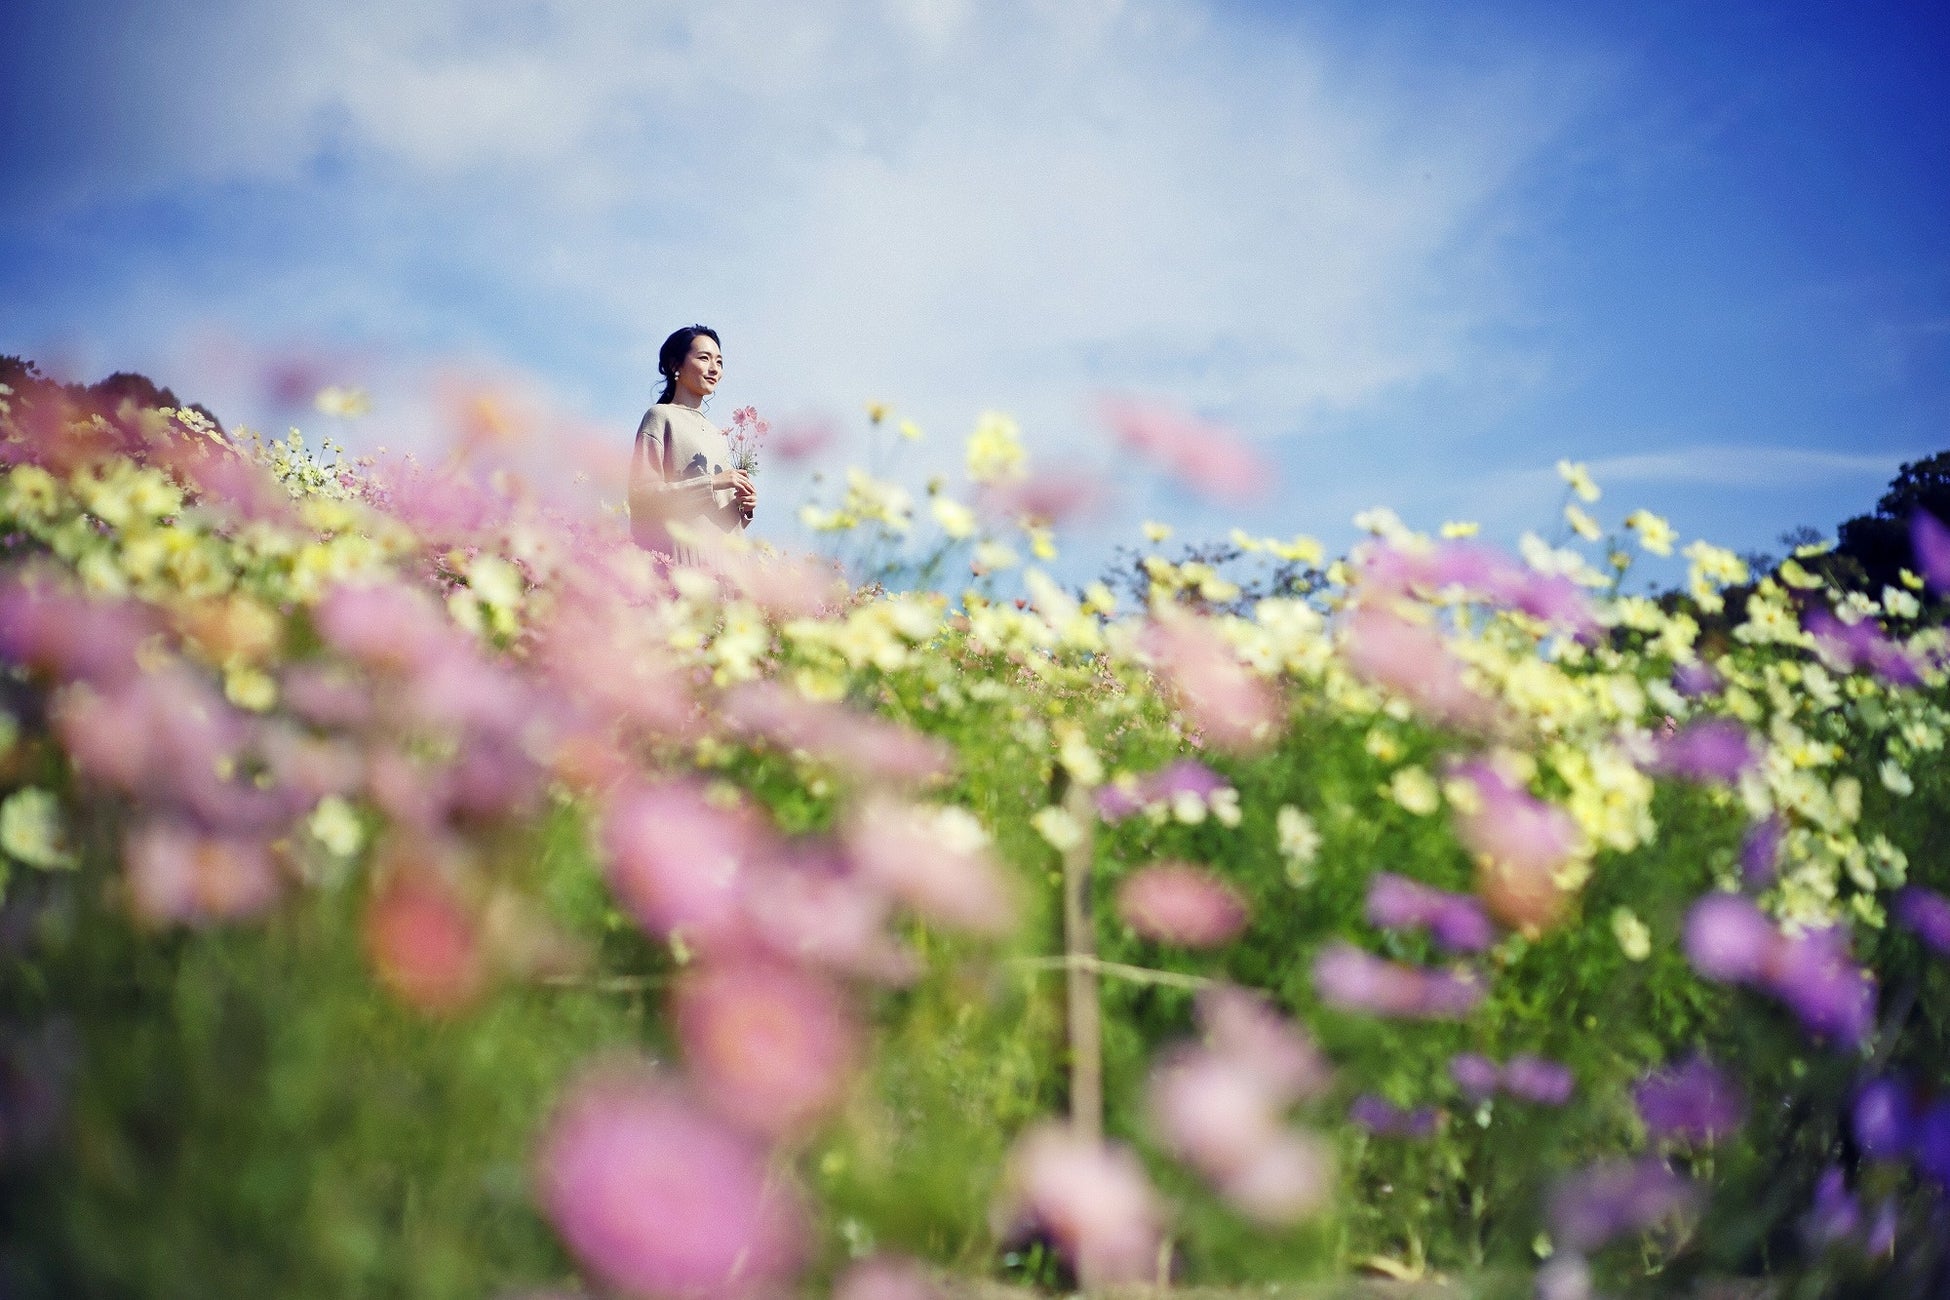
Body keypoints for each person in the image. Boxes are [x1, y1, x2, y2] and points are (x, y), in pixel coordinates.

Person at [629, 325, 757, 561]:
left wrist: (743, 507)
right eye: (704, 358)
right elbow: (642, 496)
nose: (714, 369)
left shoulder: (718, 436)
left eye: (719, 362)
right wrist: (712, 483)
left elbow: (717, 519)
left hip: (724, 567)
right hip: (680, 561)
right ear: (675, 364)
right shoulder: (660, 417)